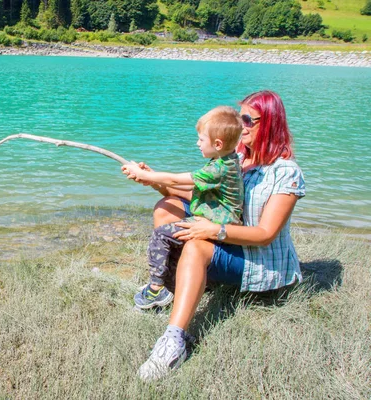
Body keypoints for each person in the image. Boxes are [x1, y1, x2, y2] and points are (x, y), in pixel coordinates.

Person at [125, 90, 305, 381]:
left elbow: (265, 234)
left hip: (258, 261)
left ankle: (173, 341)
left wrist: (212, 230)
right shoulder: (237, 157)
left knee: (196, 246)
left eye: (248, 118)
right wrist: (155, 181)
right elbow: (197, 192)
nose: (240, 123)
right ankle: (172, 288)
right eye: (239, 116)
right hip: (228, 240)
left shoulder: (285, 173)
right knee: (166, 206)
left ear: (269, 122)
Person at [122, 106, 244, 310]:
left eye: (201, 139)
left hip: (216, 225)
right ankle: (175, 284)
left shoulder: (219, 169)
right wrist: (152, 178)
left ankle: (156, 289)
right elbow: (184, 186)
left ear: (218, 143)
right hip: (217, 221)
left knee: (161, 236)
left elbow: (177, 179)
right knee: (171, 237)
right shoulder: (227, 160)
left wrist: (146, 175)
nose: (197, 143)